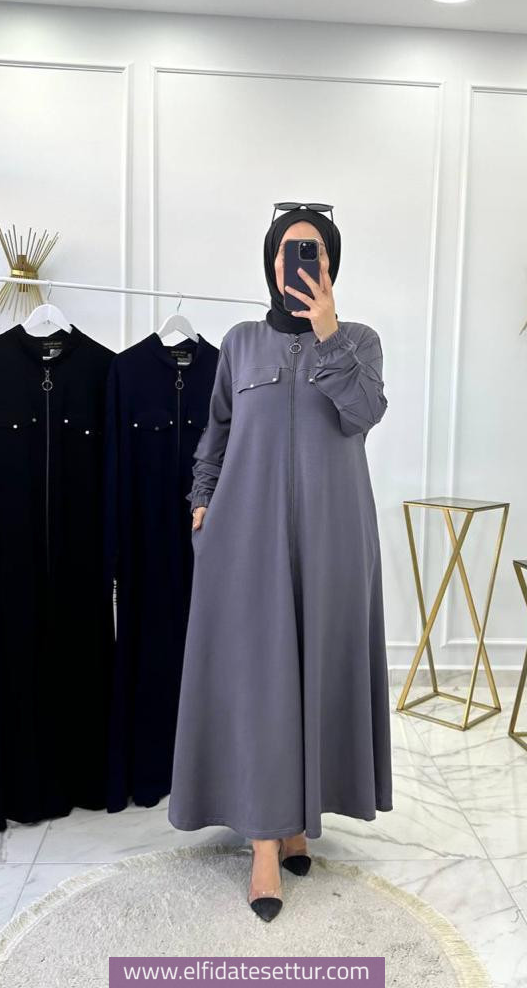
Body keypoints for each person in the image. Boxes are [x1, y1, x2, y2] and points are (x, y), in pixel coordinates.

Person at [168, 203, 392, 922]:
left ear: (330, 262)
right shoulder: (239, 343)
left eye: (312, 250)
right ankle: (265, 845)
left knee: (316, 671)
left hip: (334, 537)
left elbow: (363, 413)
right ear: (270, 262)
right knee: (262, 680)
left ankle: (297, 823)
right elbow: (217, 432)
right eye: (287, 250)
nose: (298, 262)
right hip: (247, 537)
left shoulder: (358, 340)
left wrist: (329, 331)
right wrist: (202, 502)